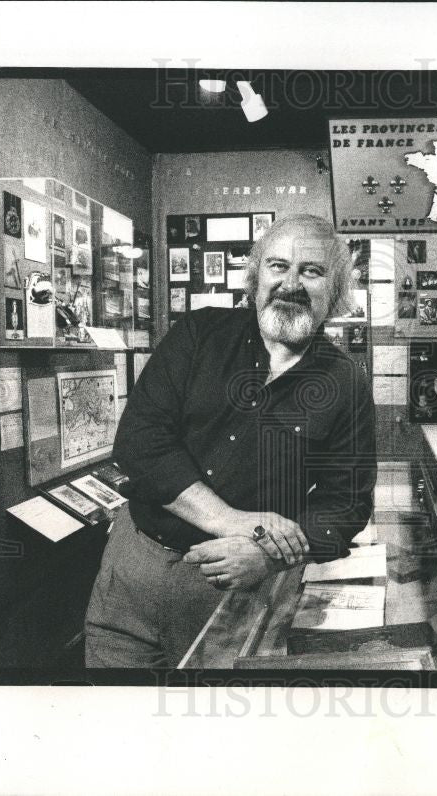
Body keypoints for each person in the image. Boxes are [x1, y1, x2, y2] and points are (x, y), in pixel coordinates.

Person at [85, 215, 377, 668]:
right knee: (118, 719)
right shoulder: (198, 334)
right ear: (255, 276)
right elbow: (140, 442)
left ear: (336, 290)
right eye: (278, 266)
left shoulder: (346, 383)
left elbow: (347, 505)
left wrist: (266, 555)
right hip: (134, 570)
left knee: (217, 729)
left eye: (312, 271)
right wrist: (234, 521)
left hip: (240, 590)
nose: (291, 283)